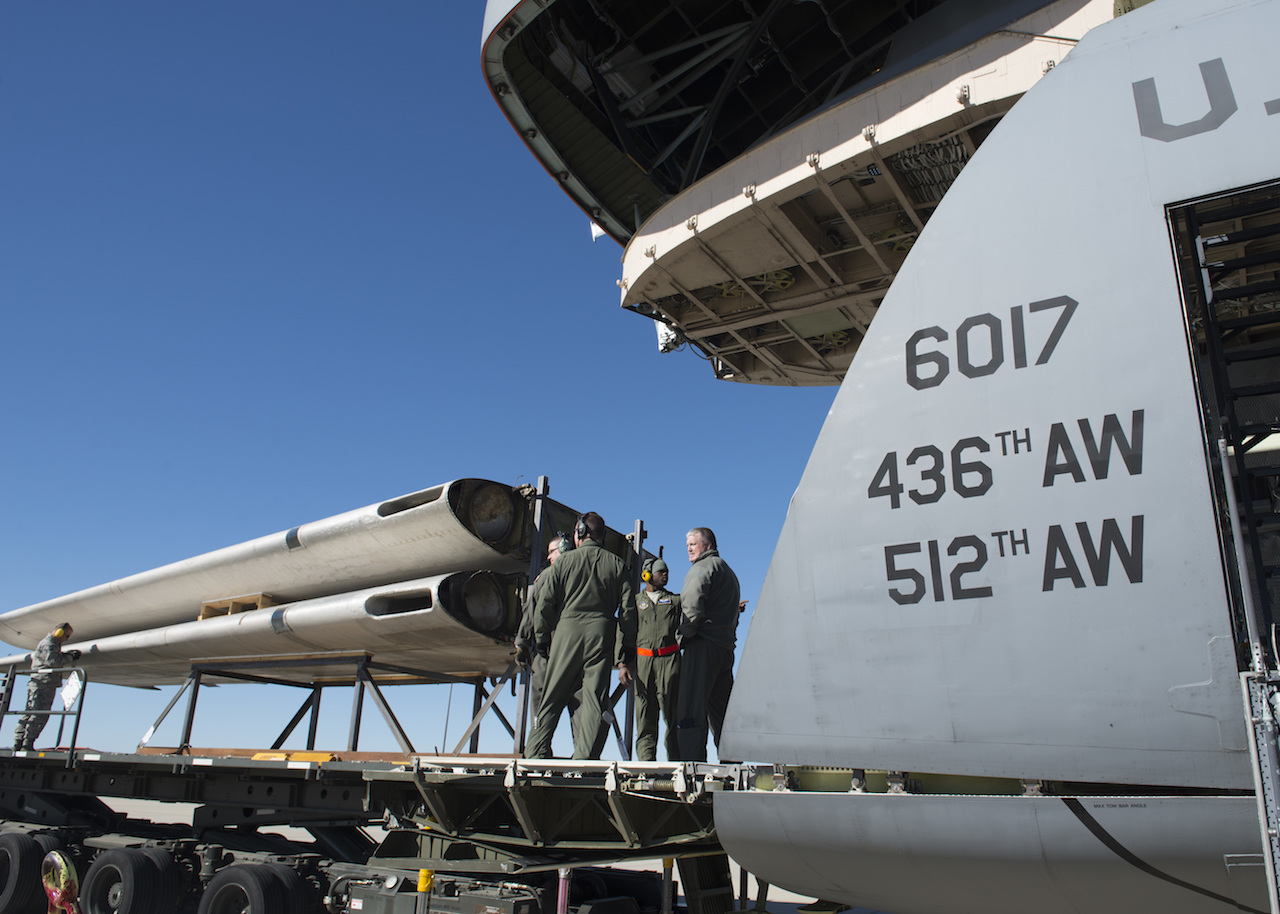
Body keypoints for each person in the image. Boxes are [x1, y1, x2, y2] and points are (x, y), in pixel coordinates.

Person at [525, 512, 636, 759]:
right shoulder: (618, 565)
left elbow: (544, 605)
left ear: (580, 533)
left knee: (552, 697)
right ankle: (585, 761)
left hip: (567, 633)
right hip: (601, 634)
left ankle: (535, 753)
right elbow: (628, 613)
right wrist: (626, 652)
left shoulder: (564, 562)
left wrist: (542, 639)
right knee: (594, 701)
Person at [675, 527, 740, 762]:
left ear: (708, 545)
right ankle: (732, 764)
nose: (689, 549)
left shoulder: (702, 568)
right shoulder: (729, 573)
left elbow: (691, 608)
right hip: (725, 648)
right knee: (722, 712)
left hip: (702, 645)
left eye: (693, 544)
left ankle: (692, 768)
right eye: (687, 545)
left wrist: (682, 636)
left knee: (690, 710)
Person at [634, 557, 682, 761]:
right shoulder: (635, 602)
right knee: (645, 713)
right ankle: (646, 763)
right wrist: (622, 662)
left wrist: (731, 607)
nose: (665, 575)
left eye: (667, 571)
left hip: (669, 662)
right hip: (643, 663)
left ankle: (677, 761)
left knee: (673, 714)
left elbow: (700, 607)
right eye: (661, 571)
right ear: (647, 575)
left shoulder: (675, 601)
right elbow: (624, 632)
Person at [13, 622, 81, 751]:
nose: (66, 639)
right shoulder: (49, 644)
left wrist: (65, 654)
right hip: (43, 683)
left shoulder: (52, 644)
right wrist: (69, 657)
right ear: (60, 633)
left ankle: (20, 742)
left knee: (31, 712)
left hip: (42, 683)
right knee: (39, 714)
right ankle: (26, 743)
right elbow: (53, 662)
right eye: (66, 636)